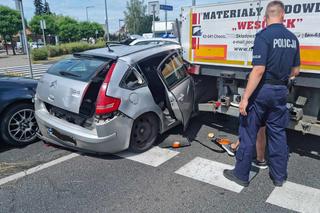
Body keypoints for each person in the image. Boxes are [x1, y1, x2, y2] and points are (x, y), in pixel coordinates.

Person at [223, 0, 300, 187]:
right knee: (278, 133)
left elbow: (258, 70)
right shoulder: (292, 38)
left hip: (262, 91)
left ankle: (241, 175)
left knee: (249, 131)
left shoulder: (263, 36)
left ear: (266, 17)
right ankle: (279, 177)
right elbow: (296, 71)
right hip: (281, 90)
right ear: (283, 16)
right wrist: (280, 79)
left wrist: (245, 98)